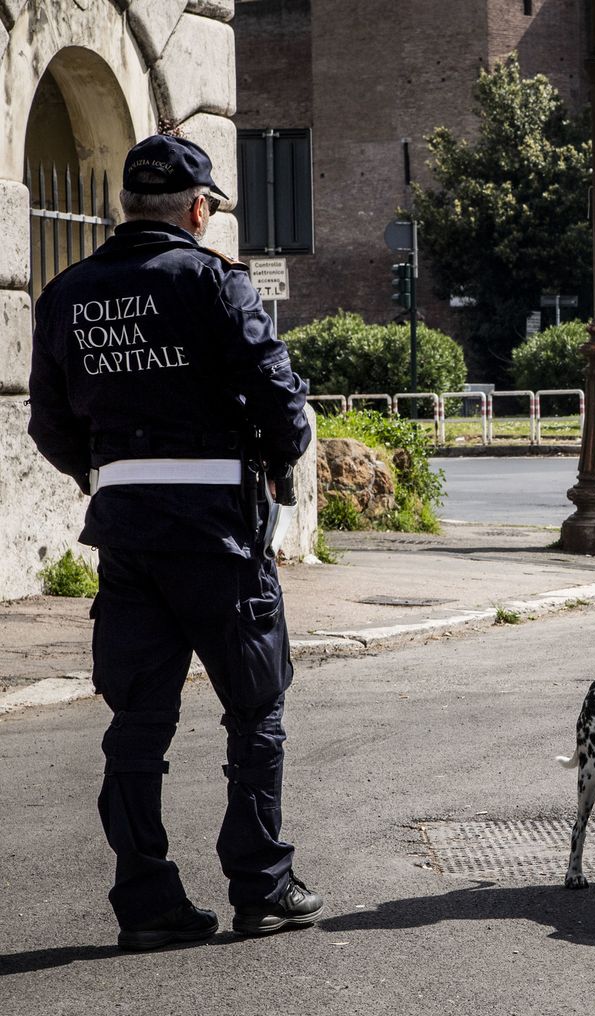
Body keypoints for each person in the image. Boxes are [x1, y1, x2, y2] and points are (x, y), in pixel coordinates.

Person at [28, 134, 325, 951]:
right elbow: (282, 404)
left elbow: (49, 424)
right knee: (255, 708)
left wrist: (112, 475)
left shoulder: (65, 293)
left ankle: (147, 899)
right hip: (219, 532)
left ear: (128, 205)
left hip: (126, 529)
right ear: (199, 209)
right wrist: (272, 456)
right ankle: (262, 886)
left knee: (137, 719)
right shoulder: (212, 280)